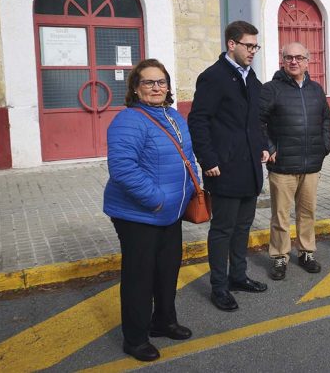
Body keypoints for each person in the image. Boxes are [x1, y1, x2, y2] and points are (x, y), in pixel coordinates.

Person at [103, 59, 195, 362]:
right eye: (149, 82)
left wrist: (191, 187)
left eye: (161, 82)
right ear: (135, 87)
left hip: (170, 212)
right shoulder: (129, 120)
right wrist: (156, 199)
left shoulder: (173, 116)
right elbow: (122, 169)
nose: (156, 87)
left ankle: (164, 321)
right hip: (139, 215)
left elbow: (187, 155)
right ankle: (135, 338)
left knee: (167, 270)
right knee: (139, 278)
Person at [188, 20, 269, 312]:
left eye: (255, 46)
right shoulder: (214, 77)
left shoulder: (251, 79)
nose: (253, 51)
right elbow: (198, 120)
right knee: (222, 229)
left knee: (243, 226)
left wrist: (262, 145)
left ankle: (238, 276)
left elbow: (254, 122)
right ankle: (219, 287)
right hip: (223, 168)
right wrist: (207, 160)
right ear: (231, 44)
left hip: (249, 168)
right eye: (249, 46)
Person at [259, 42, 330, 280]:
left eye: (299, 57)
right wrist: (269, 147)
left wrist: (325, 144)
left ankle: (306, 253)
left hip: (311, 164)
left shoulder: (316, 89)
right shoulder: (271, 89)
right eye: (289, 57)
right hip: (282, 166)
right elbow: (258, 121)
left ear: (307, 60)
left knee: (307, 212)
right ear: (283, 60)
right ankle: (279, 257)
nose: (294, 61)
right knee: (280, 215)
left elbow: (327, 118)